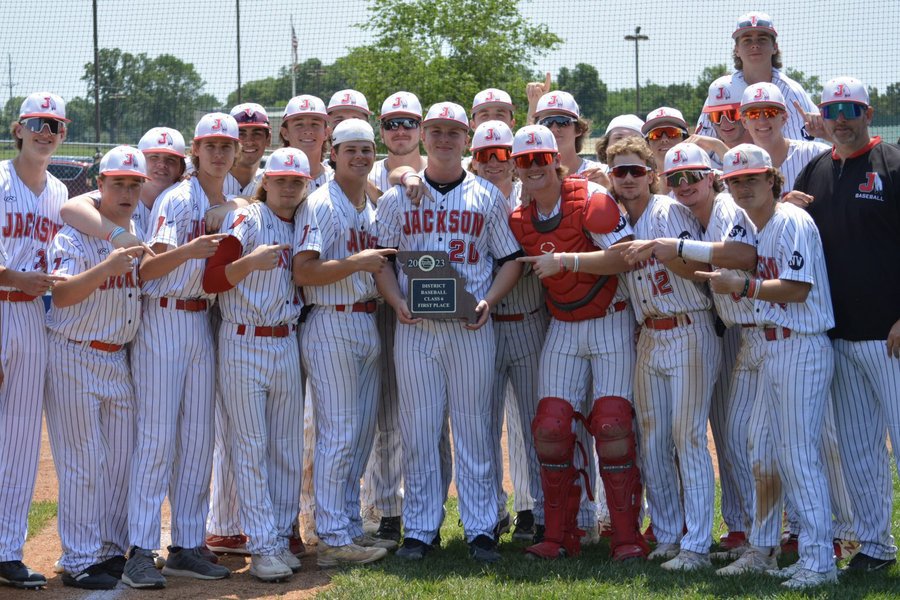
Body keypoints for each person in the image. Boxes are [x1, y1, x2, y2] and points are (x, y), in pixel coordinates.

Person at [374, 101, 523, 563]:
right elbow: (382, 259)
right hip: (415, 328)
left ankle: (481, 528)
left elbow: (509, 260)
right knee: (419, 431)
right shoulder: (397, 198)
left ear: (467, 139)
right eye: (435, 130)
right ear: (422, 135)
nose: (443, 139)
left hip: (469, 325)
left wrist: (489, 301)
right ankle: (420, 529)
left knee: (476, 427)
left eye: (453, 131)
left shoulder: (486, 196)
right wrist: (396, 302)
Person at [698, 143, 839, 590]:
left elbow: (797, 289)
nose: (743, 187)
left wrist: (744, 285)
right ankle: (763, 549)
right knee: (760, 451)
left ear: (772, 181)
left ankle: (819, 563)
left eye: (752, 178)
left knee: (798, 458)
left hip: (801, 346)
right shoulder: (746, 221)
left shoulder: (792, 220)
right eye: (735, 180)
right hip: (771, 347)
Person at [508, 125, 648, 562]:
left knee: (612, 426)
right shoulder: (518, 218)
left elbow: (626, 254)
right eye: (524, 161)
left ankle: (626, 536)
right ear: (516, 167)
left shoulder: (592, 198)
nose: (533, 168)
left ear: (556, 159)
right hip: (564, 325)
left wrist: (567, 259)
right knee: (550, 428)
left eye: (540, 159)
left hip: (610, 319)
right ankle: (561, 533)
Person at [121, 113, 239, 589]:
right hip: (164, 317)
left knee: (197, 439)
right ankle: (139, 551)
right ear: (198, 150)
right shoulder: (180, 197)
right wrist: (191, 252)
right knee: (156, 439)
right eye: (210, 145)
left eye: (225, 146)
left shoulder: (225, 194)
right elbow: (147, 272)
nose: (218, 153)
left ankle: (188, 544)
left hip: (200, 322)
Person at [795, 77, 900, 573]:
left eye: (850, 108)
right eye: (832, 108)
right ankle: (877, 548)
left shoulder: (894, 164)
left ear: (868, 112)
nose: (841, 118)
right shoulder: (815, 169)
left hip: (892, 336)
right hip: (838, 336)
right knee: (859, 451)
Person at [202, 147, 310, 582]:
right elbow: (211, 279)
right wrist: (248, 262)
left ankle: (280, 537)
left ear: (305, 185)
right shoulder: (246, 219)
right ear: (266, 180)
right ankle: (262, 546)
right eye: (280, 179)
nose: (287, 187)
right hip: (243, 339)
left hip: (286, 341)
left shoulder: (303, 221)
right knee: (250, 447)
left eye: (295, 181)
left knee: (286, 448)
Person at [43, 146, 149, 590]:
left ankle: (108, 550)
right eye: (118, 182)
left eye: (133, 184)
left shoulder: (136, 228)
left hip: (116, 357)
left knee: (121, 463)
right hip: (74, 352)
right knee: (83, 462)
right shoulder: (72, 233)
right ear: (99, 186)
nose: (126, 191)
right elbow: (62, 296)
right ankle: (81, 558)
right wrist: (106, 266)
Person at [293, 119, 397, 567]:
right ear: (332, 154)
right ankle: (332, 536)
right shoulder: (319, 203)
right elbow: (304, 271)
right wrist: (356, 263)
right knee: (337, 434)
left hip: (365, 321)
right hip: (330, 321)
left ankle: (348, 526)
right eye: (350, 149)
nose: (359, 157)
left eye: (366, 150)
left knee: (358, 436)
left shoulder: (370, 206)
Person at [617, 142, 724, 571]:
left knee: (689, 436)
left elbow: (701, 273)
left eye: (636, 171)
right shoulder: (616, 218)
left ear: (650, 174)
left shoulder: (669, 211)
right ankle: (667, 533)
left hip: (689, 326)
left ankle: (697, 544)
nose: (628, 179)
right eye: (620, 171)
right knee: (653, 438)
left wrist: (664, 248)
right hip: (649, 335)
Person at [0, 92, 69, 590]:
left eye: (57, 126)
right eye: (38, 123)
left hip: (30, 318)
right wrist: (11, 275)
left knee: (22, 440)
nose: (47, 132)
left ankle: (6, 550)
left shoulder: (60, 194)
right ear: (18, 128)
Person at [468, 120, 543, 543]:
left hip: (528, 321)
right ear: (474, 161)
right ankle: (491, 512)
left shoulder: (529, 198)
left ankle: (533, 509)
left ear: (514, 161)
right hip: (482, 327)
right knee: (482, 424)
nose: (494, 162)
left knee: (533, 422)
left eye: (502, 154)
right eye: (485, 155)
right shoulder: (467, 199)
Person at [695, 12, 820, 142]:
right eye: (747, 40)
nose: (755, 45)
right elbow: (701, 144)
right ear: (736, 49)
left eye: (762, 39)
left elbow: (800, 155)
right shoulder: (722, 89)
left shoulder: (791, 92)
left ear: (774, 47)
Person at [739, 83, 830, 192]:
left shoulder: (814, 153)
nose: (762, 120)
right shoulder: (738, 167)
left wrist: (828, 135)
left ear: (784, 118)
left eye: (770, 113)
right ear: (744, 121)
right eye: (753, 114)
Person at [532, 91, 608, 185]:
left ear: (578, 129)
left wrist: (608, 191)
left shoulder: (601, 173)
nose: (555, 129)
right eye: (547, 122)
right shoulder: (531, 176)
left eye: (563, 121)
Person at [224, 102, 271, 198]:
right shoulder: (208, 178)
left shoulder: (274, 182)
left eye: (256, 133)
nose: (249, 141)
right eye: (241, 134)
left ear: (268, 139)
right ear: (230, 140)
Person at [641, 107, 689, 195]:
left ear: (685, 138)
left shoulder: (702, 176)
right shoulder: (641, 185)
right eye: (655, 134)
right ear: (647, 143)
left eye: (672, 132)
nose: (664, 139)